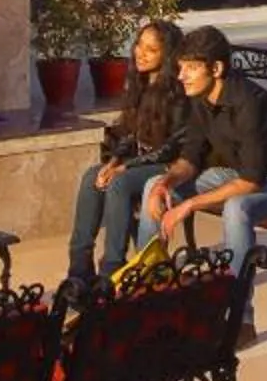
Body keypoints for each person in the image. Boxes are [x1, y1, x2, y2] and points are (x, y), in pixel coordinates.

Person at [136, 26, 267, 342]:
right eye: (180, 68)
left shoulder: (251, 104)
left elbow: (252, 181)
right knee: (153, 185)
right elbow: (190, 159)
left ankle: (241, 321)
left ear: (216, 69)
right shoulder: (201, 100)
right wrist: (168, 182)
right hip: (239, 175)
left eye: (191, 68)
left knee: (237, 208)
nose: (182, 76)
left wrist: (188, 204)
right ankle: (146, 299)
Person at [67, 15, 184, 279]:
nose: (141, 53)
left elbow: (171, 147)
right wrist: (114, 161)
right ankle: (79, 268)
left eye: (151, 49)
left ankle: (112, 270)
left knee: (120, 183)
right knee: (91, 177)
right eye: (139, 45)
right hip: (140, 161)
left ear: (167, 56)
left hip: (169, 165)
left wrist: (126, 168)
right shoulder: (140, 84)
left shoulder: (177, 93)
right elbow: (130, 132)